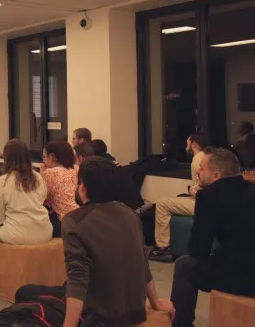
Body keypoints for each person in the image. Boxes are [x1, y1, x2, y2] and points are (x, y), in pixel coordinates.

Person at [16, 157, 173, 326]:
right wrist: (155, 303)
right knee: (61, 288)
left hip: (98, 317)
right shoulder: (129, 213)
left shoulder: (74, 221)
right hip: (135, 312)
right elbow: (143, 263)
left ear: (83, 187)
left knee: (24, 293)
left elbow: (78, 279)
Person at [170, 147, 255, 327]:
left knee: (184, 265)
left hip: (245, 277)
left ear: (216, 175)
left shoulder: (208, 196)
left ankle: (180, 323)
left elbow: (198, 250)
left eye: (201, 168)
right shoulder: (251, 189)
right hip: (246, 263)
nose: (197, 172)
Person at [0, 139, 53, 288]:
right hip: (45, 231)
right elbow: (43, 199)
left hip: (18, 234)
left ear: (6, 159)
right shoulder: (38, 177)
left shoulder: (2, 181)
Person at [150, 133, 210, 262]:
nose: (185, 145)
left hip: (201, 203)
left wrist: (192, 190)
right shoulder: (208, 157)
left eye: (187, 142)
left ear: (194, 144)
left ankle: (162, 248)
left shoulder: (198, 159)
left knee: (162, 203)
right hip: (204, 201)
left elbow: (203, 186)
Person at [41, 140, 79, 237]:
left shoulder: (50, 173)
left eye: (44, 157)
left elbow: (42, 198)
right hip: (81, 218)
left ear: (51, 156)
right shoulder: (77, 168)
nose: (43, 161)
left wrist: (41, 174)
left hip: (63, 222)